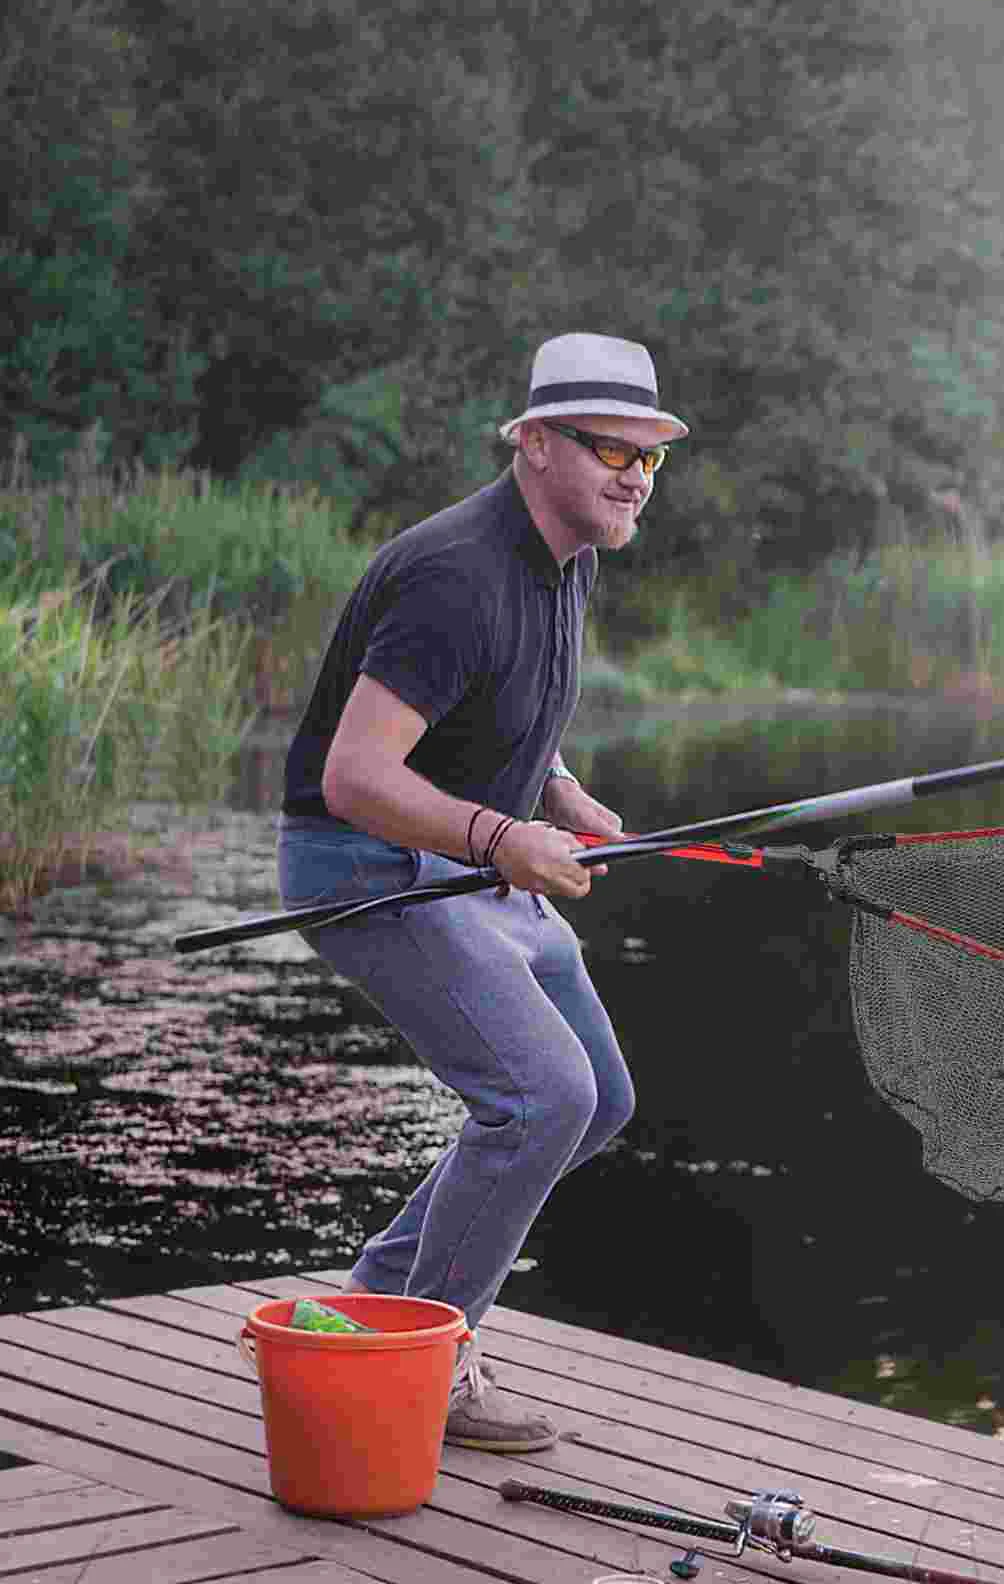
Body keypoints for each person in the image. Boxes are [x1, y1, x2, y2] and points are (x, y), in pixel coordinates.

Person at [277, 333, 689, 1451]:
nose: (634, 476)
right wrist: (505, 836)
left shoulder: (575, 551)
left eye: (650, 456)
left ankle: (378, 1305)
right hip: (366, 866)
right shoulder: (454, 574)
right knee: (539, 1099)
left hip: (471, 860)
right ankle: (426, 1365)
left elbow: (499, 713)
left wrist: (561, 791)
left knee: (594, 1100)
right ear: (535, 443)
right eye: (610, 448)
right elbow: (352, 776)